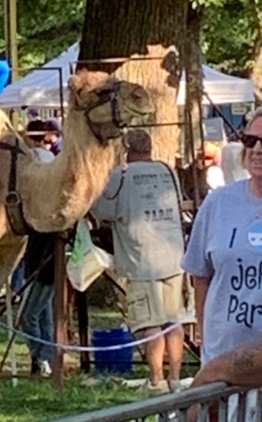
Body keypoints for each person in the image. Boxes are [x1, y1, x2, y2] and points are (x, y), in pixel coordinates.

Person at [91, 129, 187, 395]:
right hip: (174, 255)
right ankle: (176, 378)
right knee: (173, 319)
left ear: (126, 149)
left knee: (150, 322)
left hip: (141, 257)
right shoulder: (168, 171)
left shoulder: (120, 175)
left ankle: (156, 380)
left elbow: (103, 211)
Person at [182, 112, 262, 420]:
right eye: (250, 140)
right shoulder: (218, 204)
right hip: (220, 363)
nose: (257, 149)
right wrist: (206, 334)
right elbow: (200, 275)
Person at [20, 119, 56, 377]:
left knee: (29, 316)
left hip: (42, 263)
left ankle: (41, 357)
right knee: (44, 315)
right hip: (44, 261)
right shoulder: (51, 161)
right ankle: (46, 358)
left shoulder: (34, 160)